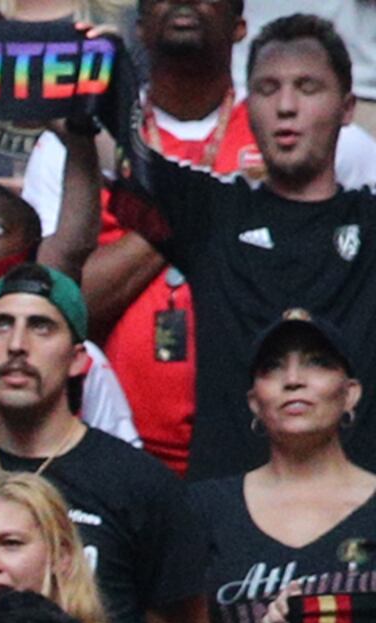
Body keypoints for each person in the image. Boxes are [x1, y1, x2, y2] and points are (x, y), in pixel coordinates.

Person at [109, 20, 376, 479]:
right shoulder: (210, 213)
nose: (286, 107)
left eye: (307, 87)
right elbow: (114, 144)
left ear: (347, 107)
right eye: (268, 90)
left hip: (361, 515)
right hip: (227, 511)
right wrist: (82, 83)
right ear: (248, 109)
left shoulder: (371, 225)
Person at [0, 264, 208, 623]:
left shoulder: (140, 483)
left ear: (77, 361)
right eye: (2, 325)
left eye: (41, 327)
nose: (17, 344)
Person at [196, 312, 376, 623]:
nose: (293, 379)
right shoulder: (203, 509)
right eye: (273, 367)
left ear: (350, 394)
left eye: (317, 363)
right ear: (254, 402)